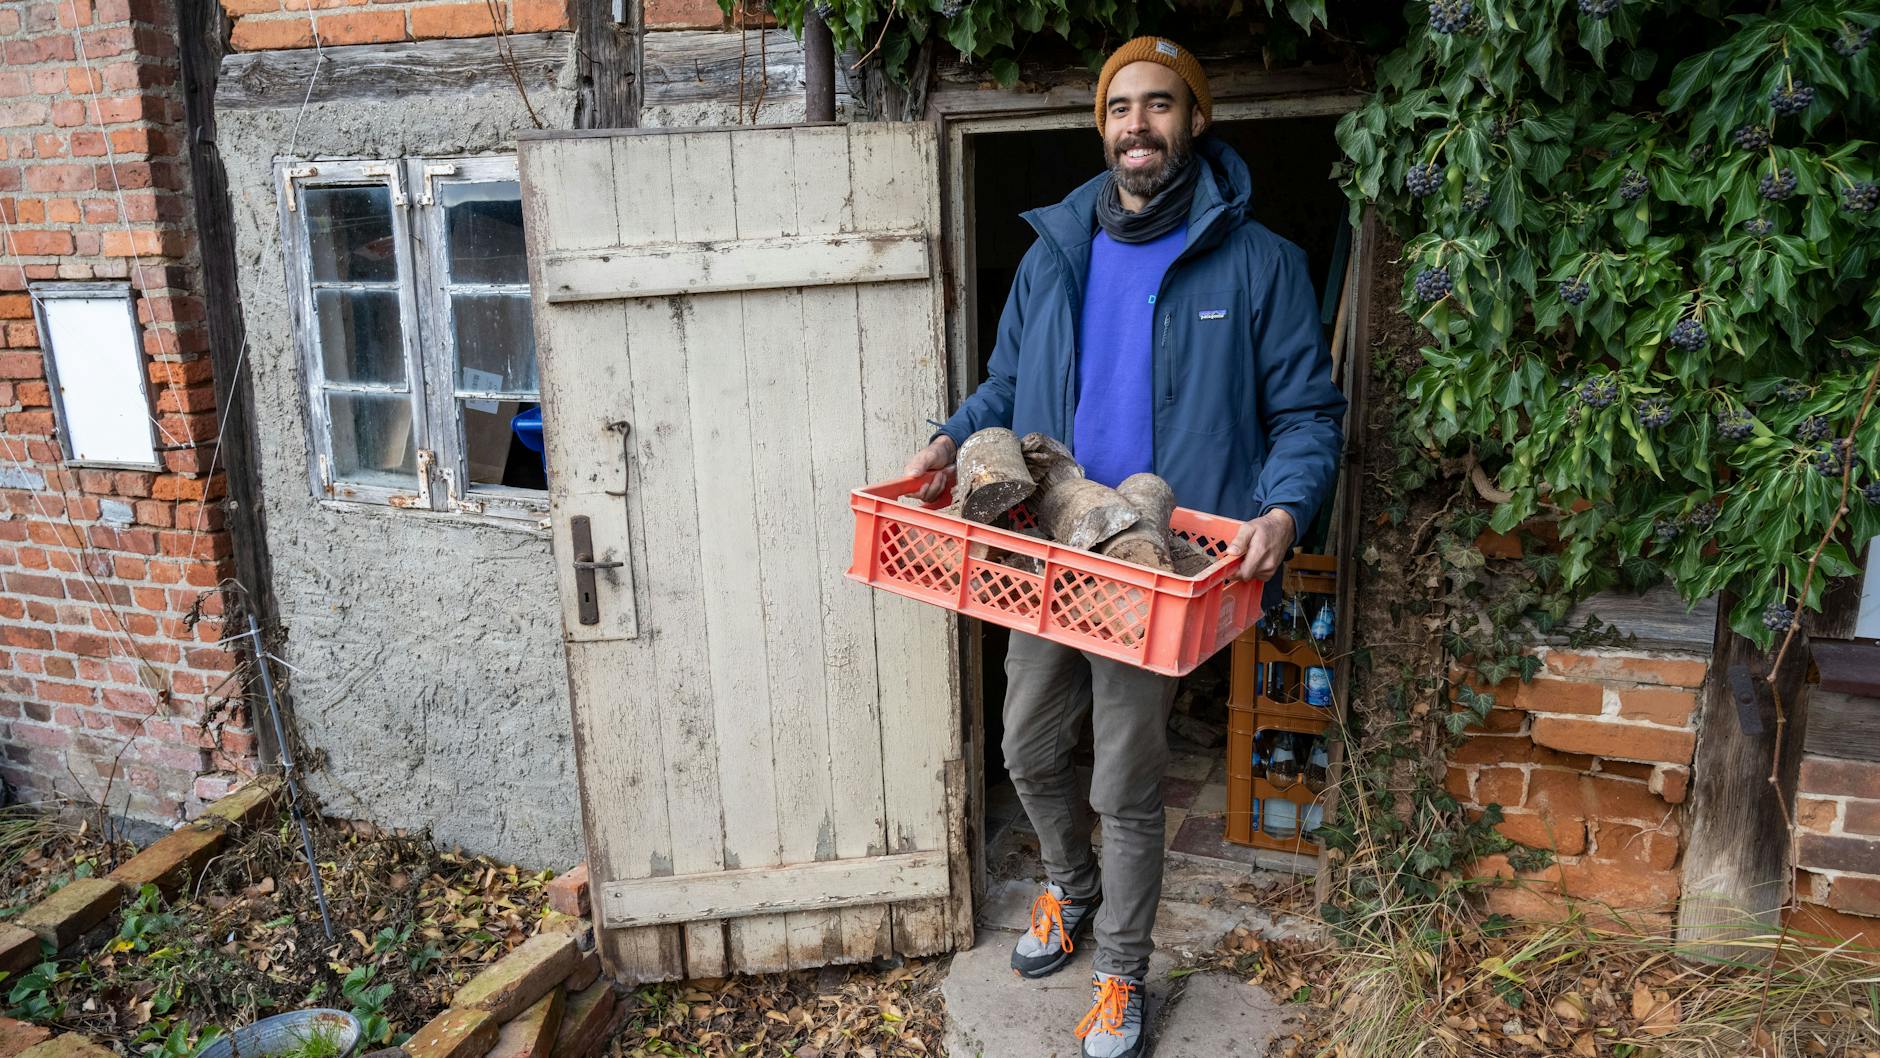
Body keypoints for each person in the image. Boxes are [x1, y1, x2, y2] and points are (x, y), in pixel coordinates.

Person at [902, 36, 1346, 1058]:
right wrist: (950, 430)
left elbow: (1308, 414)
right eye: (1118, 108)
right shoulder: (1055, 251)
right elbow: (1005, 388)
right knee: (1023, 744)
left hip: (1155, 566)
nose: (1135, 125)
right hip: (1049, 548)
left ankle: (1121, 972)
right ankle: (1072, 884)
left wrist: (1282, 508)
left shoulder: (1259, 262)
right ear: (1099, 127)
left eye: (1157, 105)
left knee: (1125, 782)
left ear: (1193, 120)